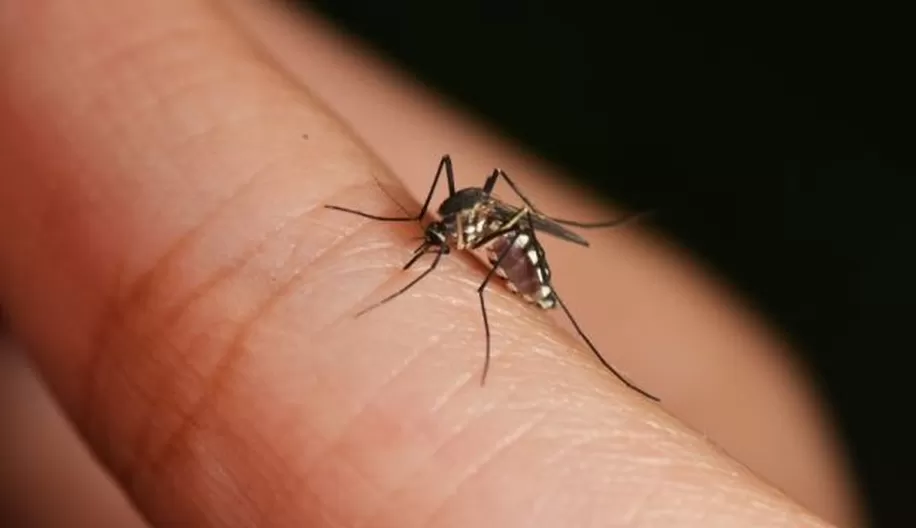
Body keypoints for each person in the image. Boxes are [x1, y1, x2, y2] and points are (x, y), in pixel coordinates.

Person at [0, 1, 861, 526]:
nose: (433, 243)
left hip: (520, 244)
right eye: (439, 238)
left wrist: (497, 248)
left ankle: (583, 320)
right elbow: (439, 216)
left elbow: (481, 228)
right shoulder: (441, 217)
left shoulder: (478, 235)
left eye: (439, 240)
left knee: (508, 256)